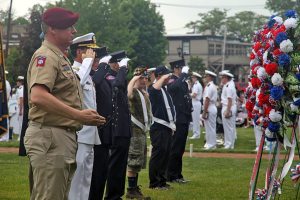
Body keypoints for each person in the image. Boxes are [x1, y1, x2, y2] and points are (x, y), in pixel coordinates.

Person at [24, 7, 105, 200]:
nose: (74, 31)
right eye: (69, 26)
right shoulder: (46, 56)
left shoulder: (59, 57)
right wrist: (78, 115)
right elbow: (38, 96)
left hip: (60, 136)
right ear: (52, 29)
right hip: (51, 136)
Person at [68, 33, 106, 200]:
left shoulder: (86, 73)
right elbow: (76, 84)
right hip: (79, 134)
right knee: (76, 180)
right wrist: (87, 62)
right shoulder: (74, 71)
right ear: (79, 52)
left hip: (89, 134)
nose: (94, 56)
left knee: (85, 180)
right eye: (90, 52)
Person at [90, 50, 131, 200]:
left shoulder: (109, 75)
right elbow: (117, 85)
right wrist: (121, 70)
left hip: (115, 127)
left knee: (112, 167)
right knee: (99, 170)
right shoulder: (103, 76)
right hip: (103, 128)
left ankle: (115, 195)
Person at [126, 67, 151, 199]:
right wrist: (134, 79)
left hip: (141, 131)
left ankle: (134, 188)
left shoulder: (142, 92)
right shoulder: (134, 92)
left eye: (145, 78)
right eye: (141, 78)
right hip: (135, 131)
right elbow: (128, 95)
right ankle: (130, 190)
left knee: (139, 161)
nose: (144, 80)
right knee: (134, 160)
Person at [148, 66, 175, 190]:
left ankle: (162, 181)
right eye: (165, 76)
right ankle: (154, 183)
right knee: (158, 154)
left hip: (167, 126)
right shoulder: (153, 89)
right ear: (159, 76)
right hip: (158, 126)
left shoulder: (164, 89)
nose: (168, 78)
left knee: (166, 154)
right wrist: (162, 77)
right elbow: (154, 89)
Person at [167, 60, 193, 183]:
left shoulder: (182, 81)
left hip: (184, 117)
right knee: (175, 148)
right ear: (176, 68)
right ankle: (171, 175)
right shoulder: (172, 79)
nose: (184, 71)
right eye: (181, 69)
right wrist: (182, 75)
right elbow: (173, 88)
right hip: (177, 118)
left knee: (180, 149)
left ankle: (178, 174)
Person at [219, 70, 237, 149]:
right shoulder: (228, 85)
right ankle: (228, 143)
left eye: (222, 77)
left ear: (226, 78)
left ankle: (229, 144)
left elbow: (229, 100)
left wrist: (228, 110)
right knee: (228, 127)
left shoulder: (229, 86)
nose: (221, 79)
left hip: (228, 107)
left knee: (229, 127)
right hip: (227, 106)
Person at [202, 70, 218, 150]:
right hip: (211, 107)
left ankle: (211, 144)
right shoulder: (211, 86)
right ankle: (210, 143)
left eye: (206, 76)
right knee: (209, 127)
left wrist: (204, 112)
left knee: (210, 128)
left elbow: (207, 99)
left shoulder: (209, 86)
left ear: (209, 77)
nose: (205, 78)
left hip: (209, 107)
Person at [189, 72, 203, 139]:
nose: (192, 78)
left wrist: (188, 95)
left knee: (196, 119)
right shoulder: (196, 84)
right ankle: (196, 133)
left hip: (196, 102)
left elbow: (194, 95)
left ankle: (196, 134)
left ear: (195, 78)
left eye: (193, 77)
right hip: (195, 102)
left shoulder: (196, 85)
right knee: (195, 119)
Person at [15, 76, 24, 140]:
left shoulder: (21, 89)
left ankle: (20, 136)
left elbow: (21, 100)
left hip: (21, 107)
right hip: (20, 107)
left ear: (20, 82)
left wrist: (20, 110)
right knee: (20, 122)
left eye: (18, 81)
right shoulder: (21, 89)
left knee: (20, 123)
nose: (17, 82)